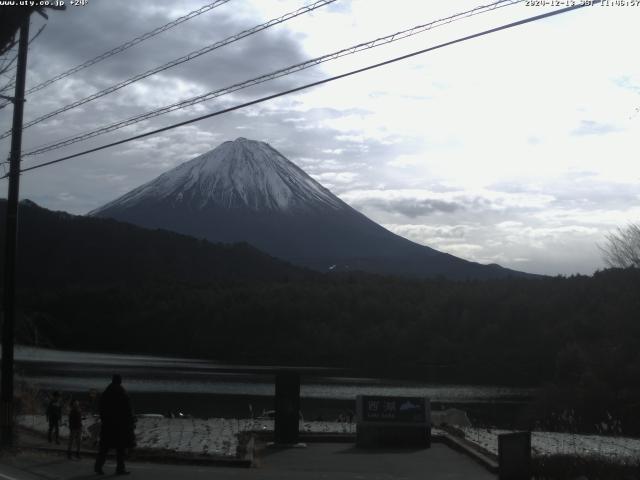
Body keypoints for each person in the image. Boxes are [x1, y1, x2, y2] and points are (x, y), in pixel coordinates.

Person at [94, 375, 135, 476]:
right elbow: (128, 410)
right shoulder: (122, 393)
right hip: (119, 426)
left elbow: (101, 409)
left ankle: (98, 466)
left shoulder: (106, 393)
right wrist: (130, 421)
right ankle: (120, 469)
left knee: (104, 448)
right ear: (120, 381)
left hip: (108, 425)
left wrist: (104, 419)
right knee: (120, 449)